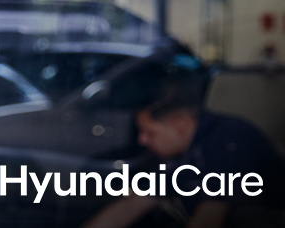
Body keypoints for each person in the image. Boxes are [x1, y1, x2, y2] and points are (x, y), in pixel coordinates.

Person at [82, 72, 285, 228]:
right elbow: (128, 207)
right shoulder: (178, 156)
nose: (142, 140)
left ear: (179, 126)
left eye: (149, 132)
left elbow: (208, 221)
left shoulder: (229, 141)